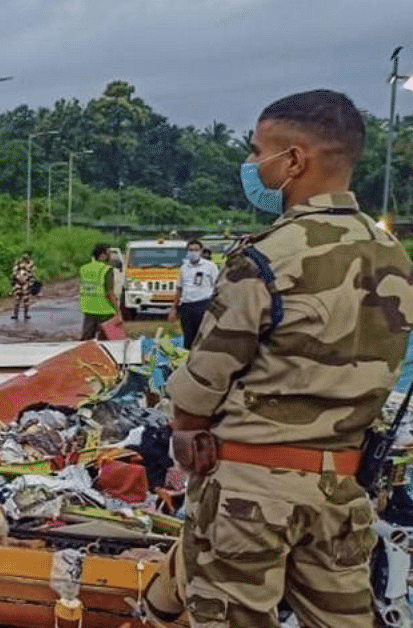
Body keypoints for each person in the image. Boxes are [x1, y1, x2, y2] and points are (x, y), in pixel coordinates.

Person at [165, 90, 413, 628]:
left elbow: (203, 382)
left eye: (258, 153)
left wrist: (185, 431)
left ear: (294, 161)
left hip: (250, 495)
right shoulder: (393, 255)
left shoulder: (267, 255)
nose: (253, 166)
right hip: (342, 492)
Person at [168, 239, 219, 349]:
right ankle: (188, 359)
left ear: (201, 251)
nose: (193, 253)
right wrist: (174, 308)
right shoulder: (184, 268)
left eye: (196, 250)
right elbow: (179, 288)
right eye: (190, 250)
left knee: (203, 335)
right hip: (186, 306)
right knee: (188, 337)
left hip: (203, 305)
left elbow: (217, 286)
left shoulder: (210, 266)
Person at [78, 243, 121, 340]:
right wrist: (118, 312)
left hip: (88, 309)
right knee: (107, 342)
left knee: (86, 341)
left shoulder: (84, 268)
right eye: (108, 253)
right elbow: (109, 292)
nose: (110, 256)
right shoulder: (106, 270)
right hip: (105, 311)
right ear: (102, 255)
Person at [10, 251, 36, 320]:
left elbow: (31, 275)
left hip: (25, 284)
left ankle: (25, 314)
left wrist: (31, 284)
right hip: (18, 284)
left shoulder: (29, 266)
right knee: (17, 300)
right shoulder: (18, 266)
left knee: (26, 300)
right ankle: (16, 315)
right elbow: (14, 274)